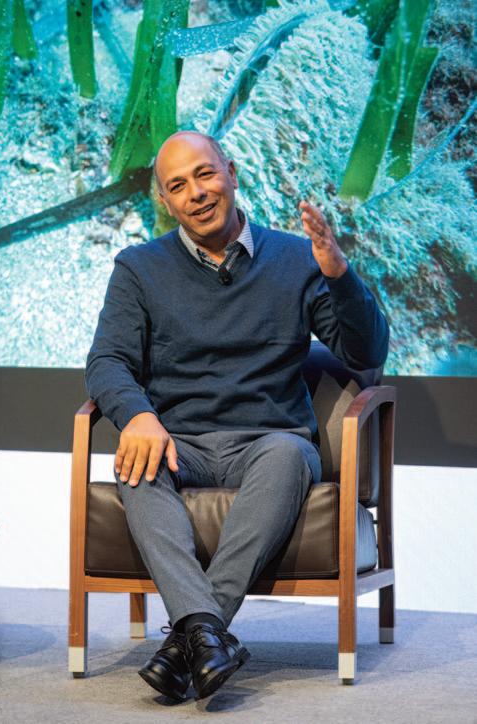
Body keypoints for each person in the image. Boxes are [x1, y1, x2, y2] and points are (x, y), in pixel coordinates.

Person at [85, 130, 389, 701]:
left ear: (231, 172)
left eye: (205, 174)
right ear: (165, 201)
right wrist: (138, 416)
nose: (196, 193)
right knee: (136, 465)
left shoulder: (297, 259)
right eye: (178, 185)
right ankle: (206, 636)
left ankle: (193, 634)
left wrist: (339, 275)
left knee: (288, 453)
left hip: (270, 442)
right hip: (182, 444)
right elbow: (107, 361)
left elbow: (365, 353)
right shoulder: (139, 267)